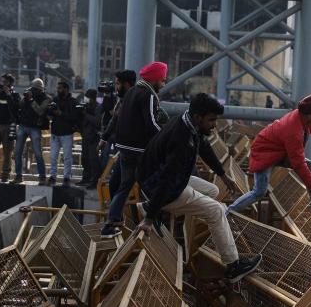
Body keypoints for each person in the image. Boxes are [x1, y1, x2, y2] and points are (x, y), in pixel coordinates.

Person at [138, 93, 260, 281]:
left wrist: (222, 175)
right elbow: (166, 180)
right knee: (217, 210)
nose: (214, 124)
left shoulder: (186, 122)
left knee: (214, 191)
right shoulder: (181, 142)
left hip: (160, 179)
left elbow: (203, 148)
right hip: (161, 187)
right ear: (198, 117)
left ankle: (213, 234)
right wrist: (150, 217)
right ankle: (233, 265)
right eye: (211, 120)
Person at [229, 94, 311, 214]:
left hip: (277, 151)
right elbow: (298, 164)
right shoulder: (293, 131)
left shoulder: (302, 117)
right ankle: (228, 212)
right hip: (264, 154)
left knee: (308, 164)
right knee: (259, 192)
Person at [101, 62, 168, 238]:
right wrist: (167, 138)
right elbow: (152, 122)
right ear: (154, 79)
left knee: (125, 186)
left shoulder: (131, 92)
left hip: (123, 147)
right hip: (139, 150)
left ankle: (111, 223)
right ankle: (155, 221)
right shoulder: (148, 95)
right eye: (162, 79)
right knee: (155, 184)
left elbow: (118, 118)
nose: (164, 83)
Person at [14, 78, 52, 184]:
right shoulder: (28, 95)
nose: (34, 91)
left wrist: (31, 100)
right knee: (17, 152)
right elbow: (19, 106)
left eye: (36, 89)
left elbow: (40, 111)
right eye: (32, 89)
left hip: (35, 127)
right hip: (23, 125)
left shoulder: (47, 98)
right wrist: (25, 98)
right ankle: (18, 176)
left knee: (38, 153)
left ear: (41, 90)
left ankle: (42, 177)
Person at [47, 81, 78, 186]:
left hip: (67, 133)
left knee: (67, 157)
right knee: (53, 156)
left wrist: (61, 113)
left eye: (60, 88)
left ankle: (66, 177)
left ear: (66, 89)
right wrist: (50, 111)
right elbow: (50, 114)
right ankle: (52, 176)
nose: (58, 90)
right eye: (58, 88)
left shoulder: (73, 102)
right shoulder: (55, 100)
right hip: (55, 133)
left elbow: (74, 117)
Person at [77, 89, 101, 187]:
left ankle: (94, 180)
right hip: (85, 136)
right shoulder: (86, 106)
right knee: (85, 159)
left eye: (88, 97)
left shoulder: (98, 107)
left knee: (93, 160)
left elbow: (97, 122)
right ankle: (85, 178)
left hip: (94, 137)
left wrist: (85, 114)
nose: (86, 99)